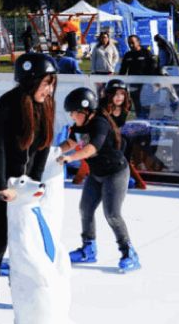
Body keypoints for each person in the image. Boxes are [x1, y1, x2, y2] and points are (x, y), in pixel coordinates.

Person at [0, 53, 57, 324]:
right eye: (46, 83)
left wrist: (35, 184)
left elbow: (42, 149)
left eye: (52, 83)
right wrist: (1, 187)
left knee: (26, 242)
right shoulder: (7, 105)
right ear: (31, 81)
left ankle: (22, 294)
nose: (49, 89)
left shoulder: (46, 105)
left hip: (24, 187)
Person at [57, 87, 141, 273]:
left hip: (115, 173)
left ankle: (129, 253)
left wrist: (70, 158)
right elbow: (71, 142)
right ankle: (89, 249)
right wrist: (53, 151)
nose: (71, 116)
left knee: (112, 213)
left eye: (73, 113)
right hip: (96, 173)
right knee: (85, 209)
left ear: (85, 111)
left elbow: (92, 148)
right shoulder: (81, 124)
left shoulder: (100, 123)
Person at [100, 79, 147, 189]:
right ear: (109, 94)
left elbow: (133, 122)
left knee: (129, 140)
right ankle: (114, 174)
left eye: (122, 94)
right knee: (122, 142)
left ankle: (126, 170)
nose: (119, 97)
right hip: (103, 140)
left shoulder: (128, 106)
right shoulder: (101, 107)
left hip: (121, 141)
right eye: (115, 94)